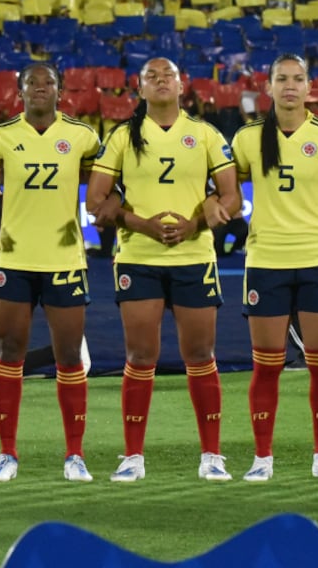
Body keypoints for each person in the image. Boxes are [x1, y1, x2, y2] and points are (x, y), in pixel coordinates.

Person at [86, 57, 241, 483]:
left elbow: (233, 199)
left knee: (200, 356)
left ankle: (212, 455)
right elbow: (95, 202)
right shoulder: (122, 137)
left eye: (167, 75)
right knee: (140, 356)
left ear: (182, 84)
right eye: (150, 76)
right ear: (139, 90)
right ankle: (132, 456)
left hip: (193, 257)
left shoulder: (205, 134)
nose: (160, 81)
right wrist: (143, 225)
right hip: (139, 257)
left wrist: (196, 222)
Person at [230, 53, 318, 482]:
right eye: (282, 79)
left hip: (316, 262)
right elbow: (225, 192)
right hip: (266, 261)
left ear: (311, 88)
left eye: (298, 79)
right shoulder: (247, 139)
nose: (290, 86)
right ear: (268, 87)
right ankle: (262, 459)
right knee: (266, 364)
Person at [0, 62, 101, 483]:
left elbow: (103, 186)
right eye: (31, 82)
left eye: (47, 82)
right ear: (20, 91)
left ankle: (75, 454)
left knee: (69, 357)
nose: (39, 88)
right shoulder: (0, 139)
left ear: (60, 90)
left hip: (64, 260)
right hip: (13, 261)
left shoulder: (83, 137)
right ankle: (7, 454)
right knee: (8, 354)